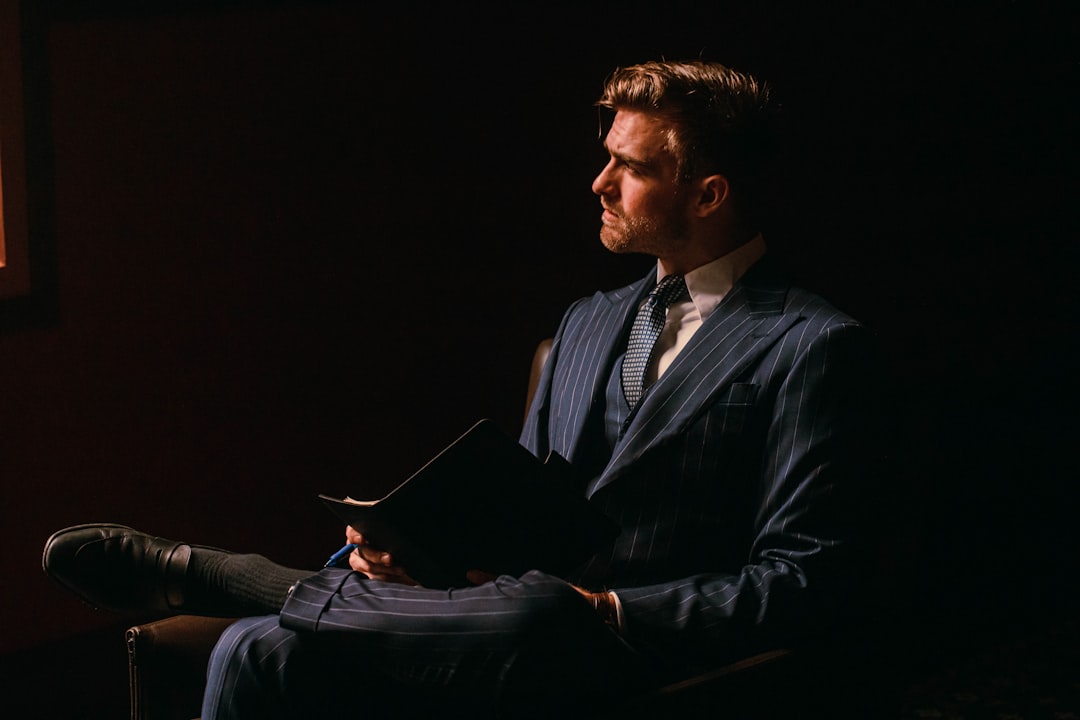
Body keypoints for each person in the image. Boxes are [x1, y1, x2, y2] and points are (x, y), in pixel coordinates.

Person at [43, 59, 877, 718]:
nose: (598, 182)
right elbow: (509, 514)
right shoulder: (588, 320)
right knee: (254, 653)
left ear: (709, 193)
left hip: (629, 646)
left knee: (546, 612)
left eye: (628, 166)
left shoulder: (812, 345)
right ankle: (293, 589)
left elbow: (803, 581)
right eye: (605, 157)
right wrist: (413, 558)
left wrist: (612, 609)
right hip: (502, 620)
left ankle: (239, 577)